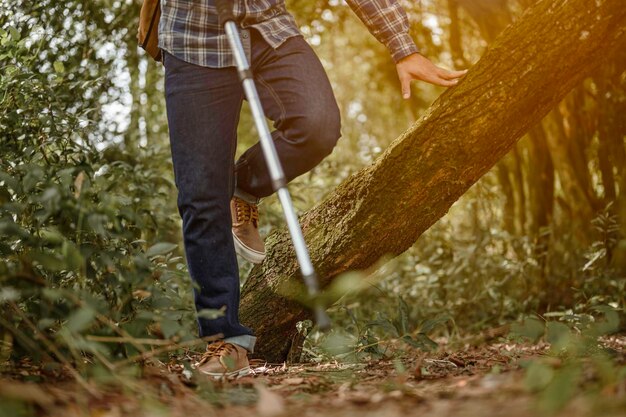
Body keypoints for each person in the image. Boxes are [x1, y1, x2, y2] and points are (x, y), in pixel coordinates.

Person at [158, 0, 466, 378]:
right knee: (202, 198)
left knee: (316, 125)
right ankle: (226, 341)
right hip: (193, 41)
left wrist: (402, 46)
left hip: (266, 28)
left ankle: (244, 185)